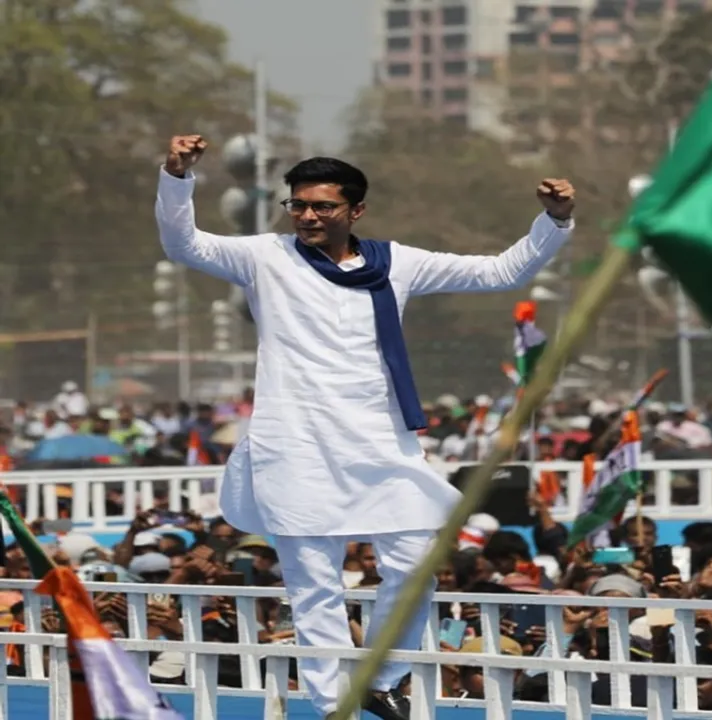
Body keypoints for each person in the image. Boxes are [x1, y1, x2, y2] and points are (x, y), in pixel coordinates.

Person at [155, 134, 576, 719]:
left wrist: (555, 220)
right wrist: (177, 177)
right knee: (315, 589)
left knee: (415, 567)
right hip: (295, 446)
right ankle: (335, 706)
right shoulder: (264, 256)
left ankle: (382, 678)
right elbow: (182, 243)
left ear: (355, 210)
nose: (307, 216)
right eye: (297, 205)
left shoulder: (397, 262)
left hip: (380, 443)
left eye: (322, 206)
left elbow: (501, 272)